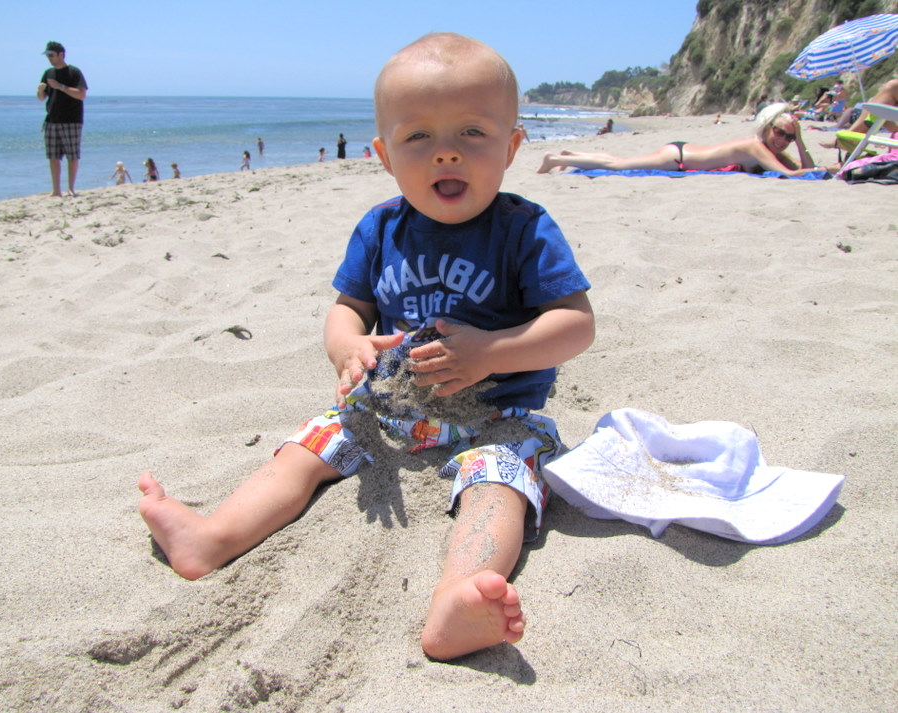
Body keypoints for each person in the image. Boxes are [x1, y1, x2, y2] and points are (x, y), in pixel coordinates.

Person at [137, 32, 595, 662]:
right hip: (388, 412)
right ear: (383, 155)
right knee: (306, 450)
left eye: (472, 133)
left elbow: (576, 325)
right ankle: (211, 537)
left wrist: (491, 350)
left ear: (512, 146)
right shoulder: (381, 229)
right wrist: (347, 345)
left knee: (499, 483)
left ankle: (459, 599)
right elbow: (346, 308)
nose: (446, 154)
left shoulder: (525, 230)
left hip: (498, 416)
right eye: (419, 137)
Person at [537, 103, 826, 176]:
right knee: (617, 166)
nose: (783, 139)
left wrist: (801, 139)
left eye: (789, 136)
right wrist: (820, 168)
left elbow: (802, 168)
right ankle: (556, 159)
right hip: (678, 159)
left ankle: (570, 154)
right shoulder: (755, 146)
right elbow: (793, 174)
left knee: (620, 161)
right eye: (779, 132)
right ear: (767, 127)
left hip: (681, 151)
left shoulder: (763, 149)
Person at [36, 41, 88, 197]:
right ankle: (56, 190)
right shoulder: (48, 73)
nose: (49, 58)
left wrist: (61, 86)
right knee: (53, 156)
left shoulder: (74, 72)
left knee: (72, 156)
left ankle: (71, 188)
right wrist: (40, 90)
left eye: (51, 55)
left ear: (61, 54)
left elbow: (81, 94)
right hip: (52, 120)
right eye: (48, 55)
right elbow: (42, 98)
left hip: (71, 120)